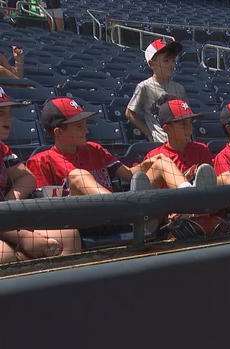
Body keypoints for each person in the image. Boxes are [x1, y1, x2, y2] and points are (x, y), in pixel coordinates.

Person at [27, 97, 190, 197]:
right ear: (58, 132)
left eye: (85, 124)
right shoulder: (41, 161)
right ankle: (124, 209)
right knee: (79, 176)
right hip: (77, 221)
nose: (86, 130)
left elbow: (128, 175)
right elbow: (48, 207)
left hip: (112, 213)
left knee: (162, 161)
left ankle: (191, 195)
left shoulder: (94, 149)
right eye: (78, 126)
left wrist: (146, 164)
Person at [0, 88, 80, 261]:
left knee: (68, 236)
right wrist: (22, 237)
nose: (9, 118)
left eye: (9, 112)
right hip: (5, 227)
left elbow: (27, 177)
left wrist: (8, 203)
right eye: (1, 113)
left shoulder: (1, 148)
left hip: (4, 220)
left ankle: (64, 287)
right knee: (4, 256)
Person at [144, 95, 213, 187]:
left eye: (190, 123)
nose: (189, 128)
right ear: (167, 128)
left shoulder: (201, 150)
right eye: (183, 124)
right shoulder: (154, 156)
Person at [126, 39, 186, 142]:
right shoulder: (144, 87)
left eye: (173, 60)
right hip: (160, 142)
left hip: (181, 141)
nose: (171, 65)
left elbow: (186, 116)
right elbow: (130, 113)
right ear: (152, 64)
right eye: (166, 60)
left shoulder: (179, 88)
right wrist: (149, 133)